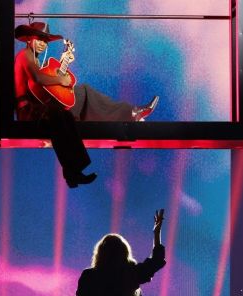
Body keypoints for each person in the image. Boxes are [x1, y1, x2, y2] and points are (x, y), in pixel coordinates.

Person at [13, 21, 159, 187]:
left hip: (42, 110)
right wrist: (62, 78)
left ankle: (73, 173)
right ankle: (129, 113)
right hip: (30, 112)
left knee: (70, 110)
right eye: (39, 39)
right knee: (79, 96)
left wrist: (63, 67)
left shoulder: (36, 61)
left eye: (45, 41)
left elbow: (45, 87)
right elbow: (38, 80)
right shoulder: (25, 56)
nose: (42, 44)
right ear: (28, 39)